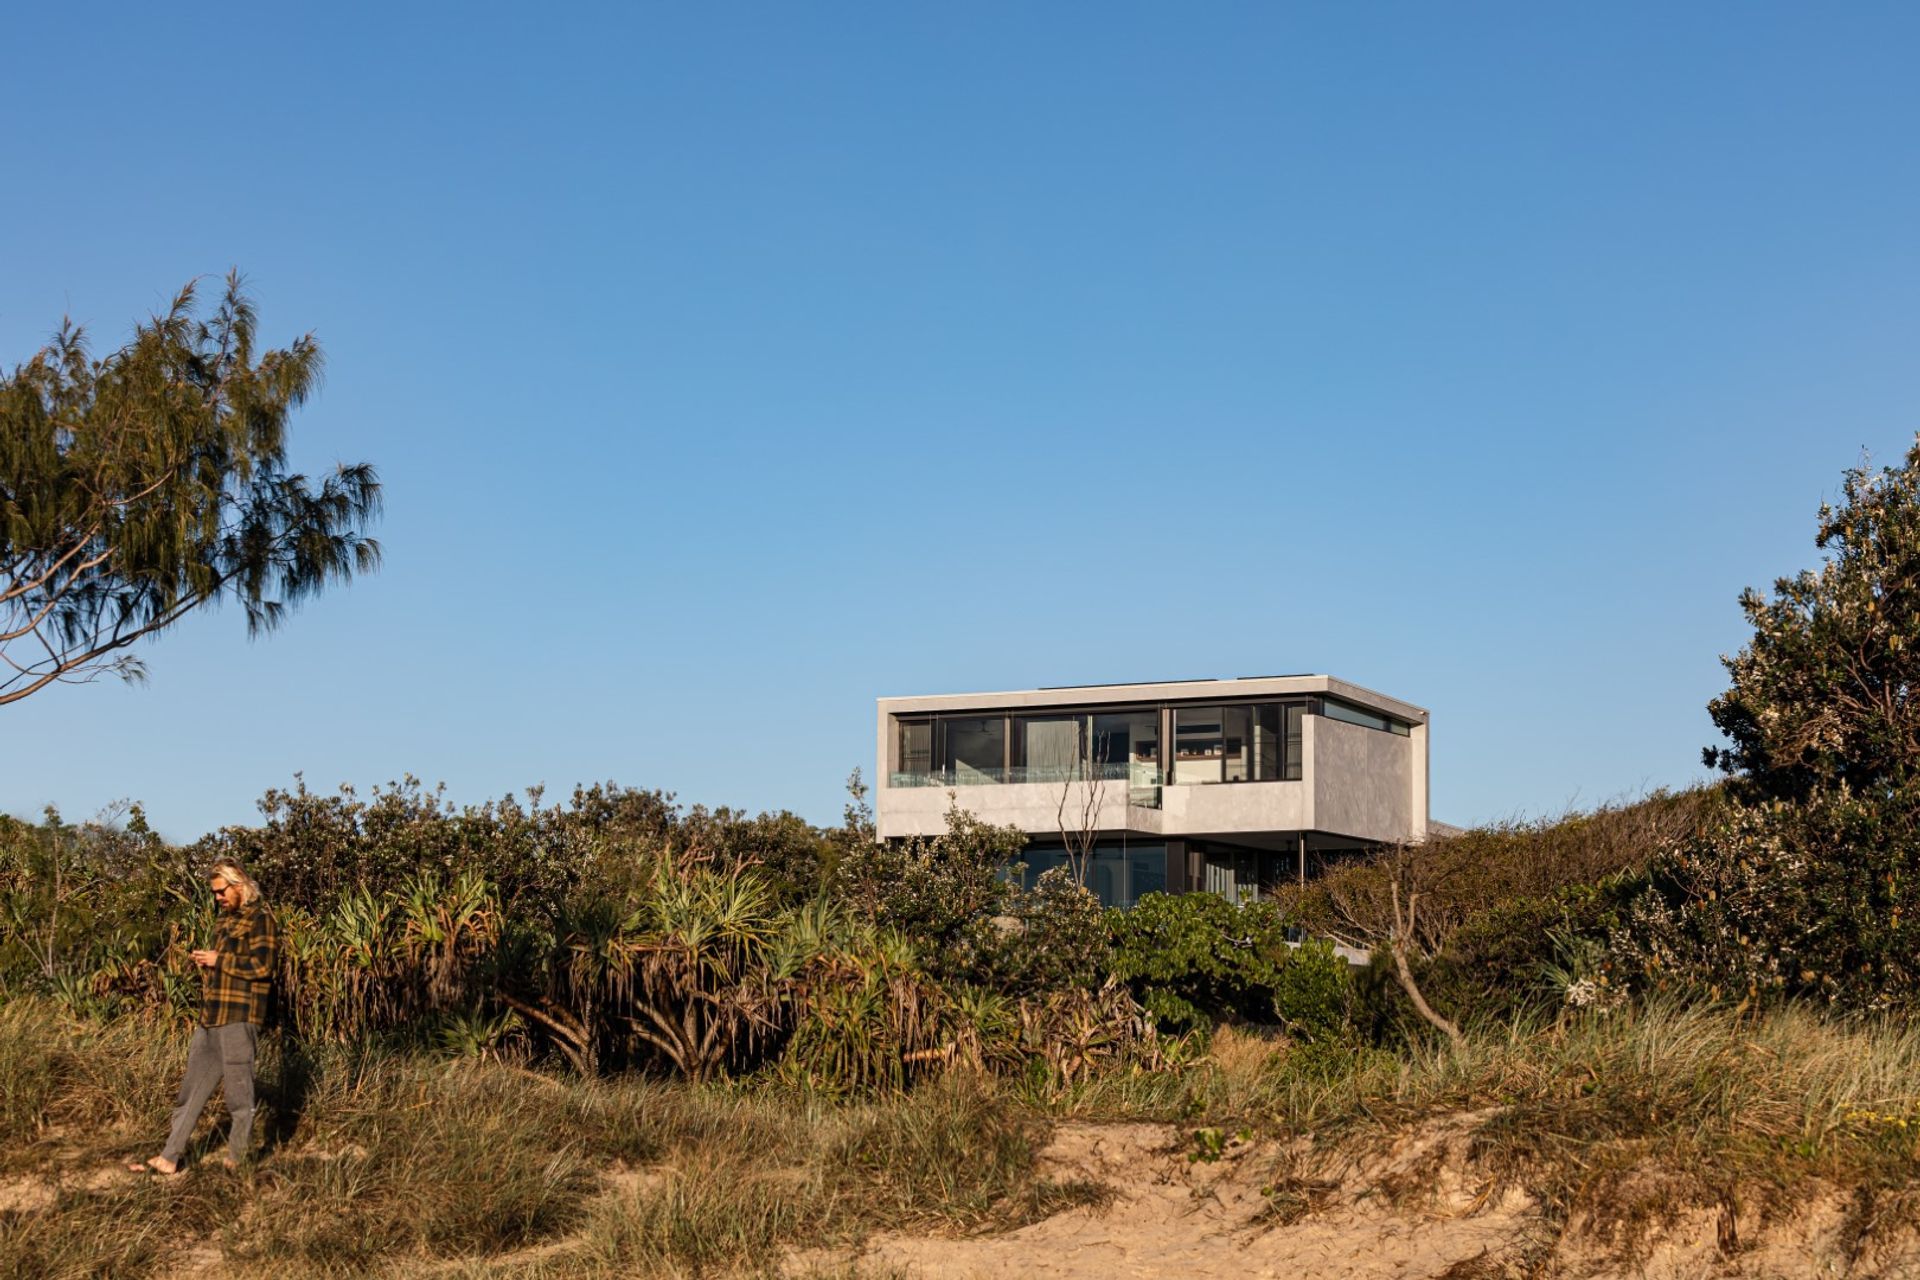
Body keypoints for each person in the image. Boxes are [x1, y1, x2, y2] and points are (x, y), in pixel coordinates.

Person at [130, 861, 278, 1175]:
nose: (217, 898)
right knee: (191, 1090)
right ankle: (169, 1157)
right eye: (214, 893)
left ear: (238, 885)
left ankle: (238, 1160)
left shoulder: (261, 919)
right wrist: (209, 963)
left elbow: (263, 967)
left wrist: (219, 959)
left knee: (239, 1094)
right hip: (212, 1017)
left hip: (240, 1017)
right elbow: (227, 965)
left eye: (221, 891)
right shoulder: (224, 920)